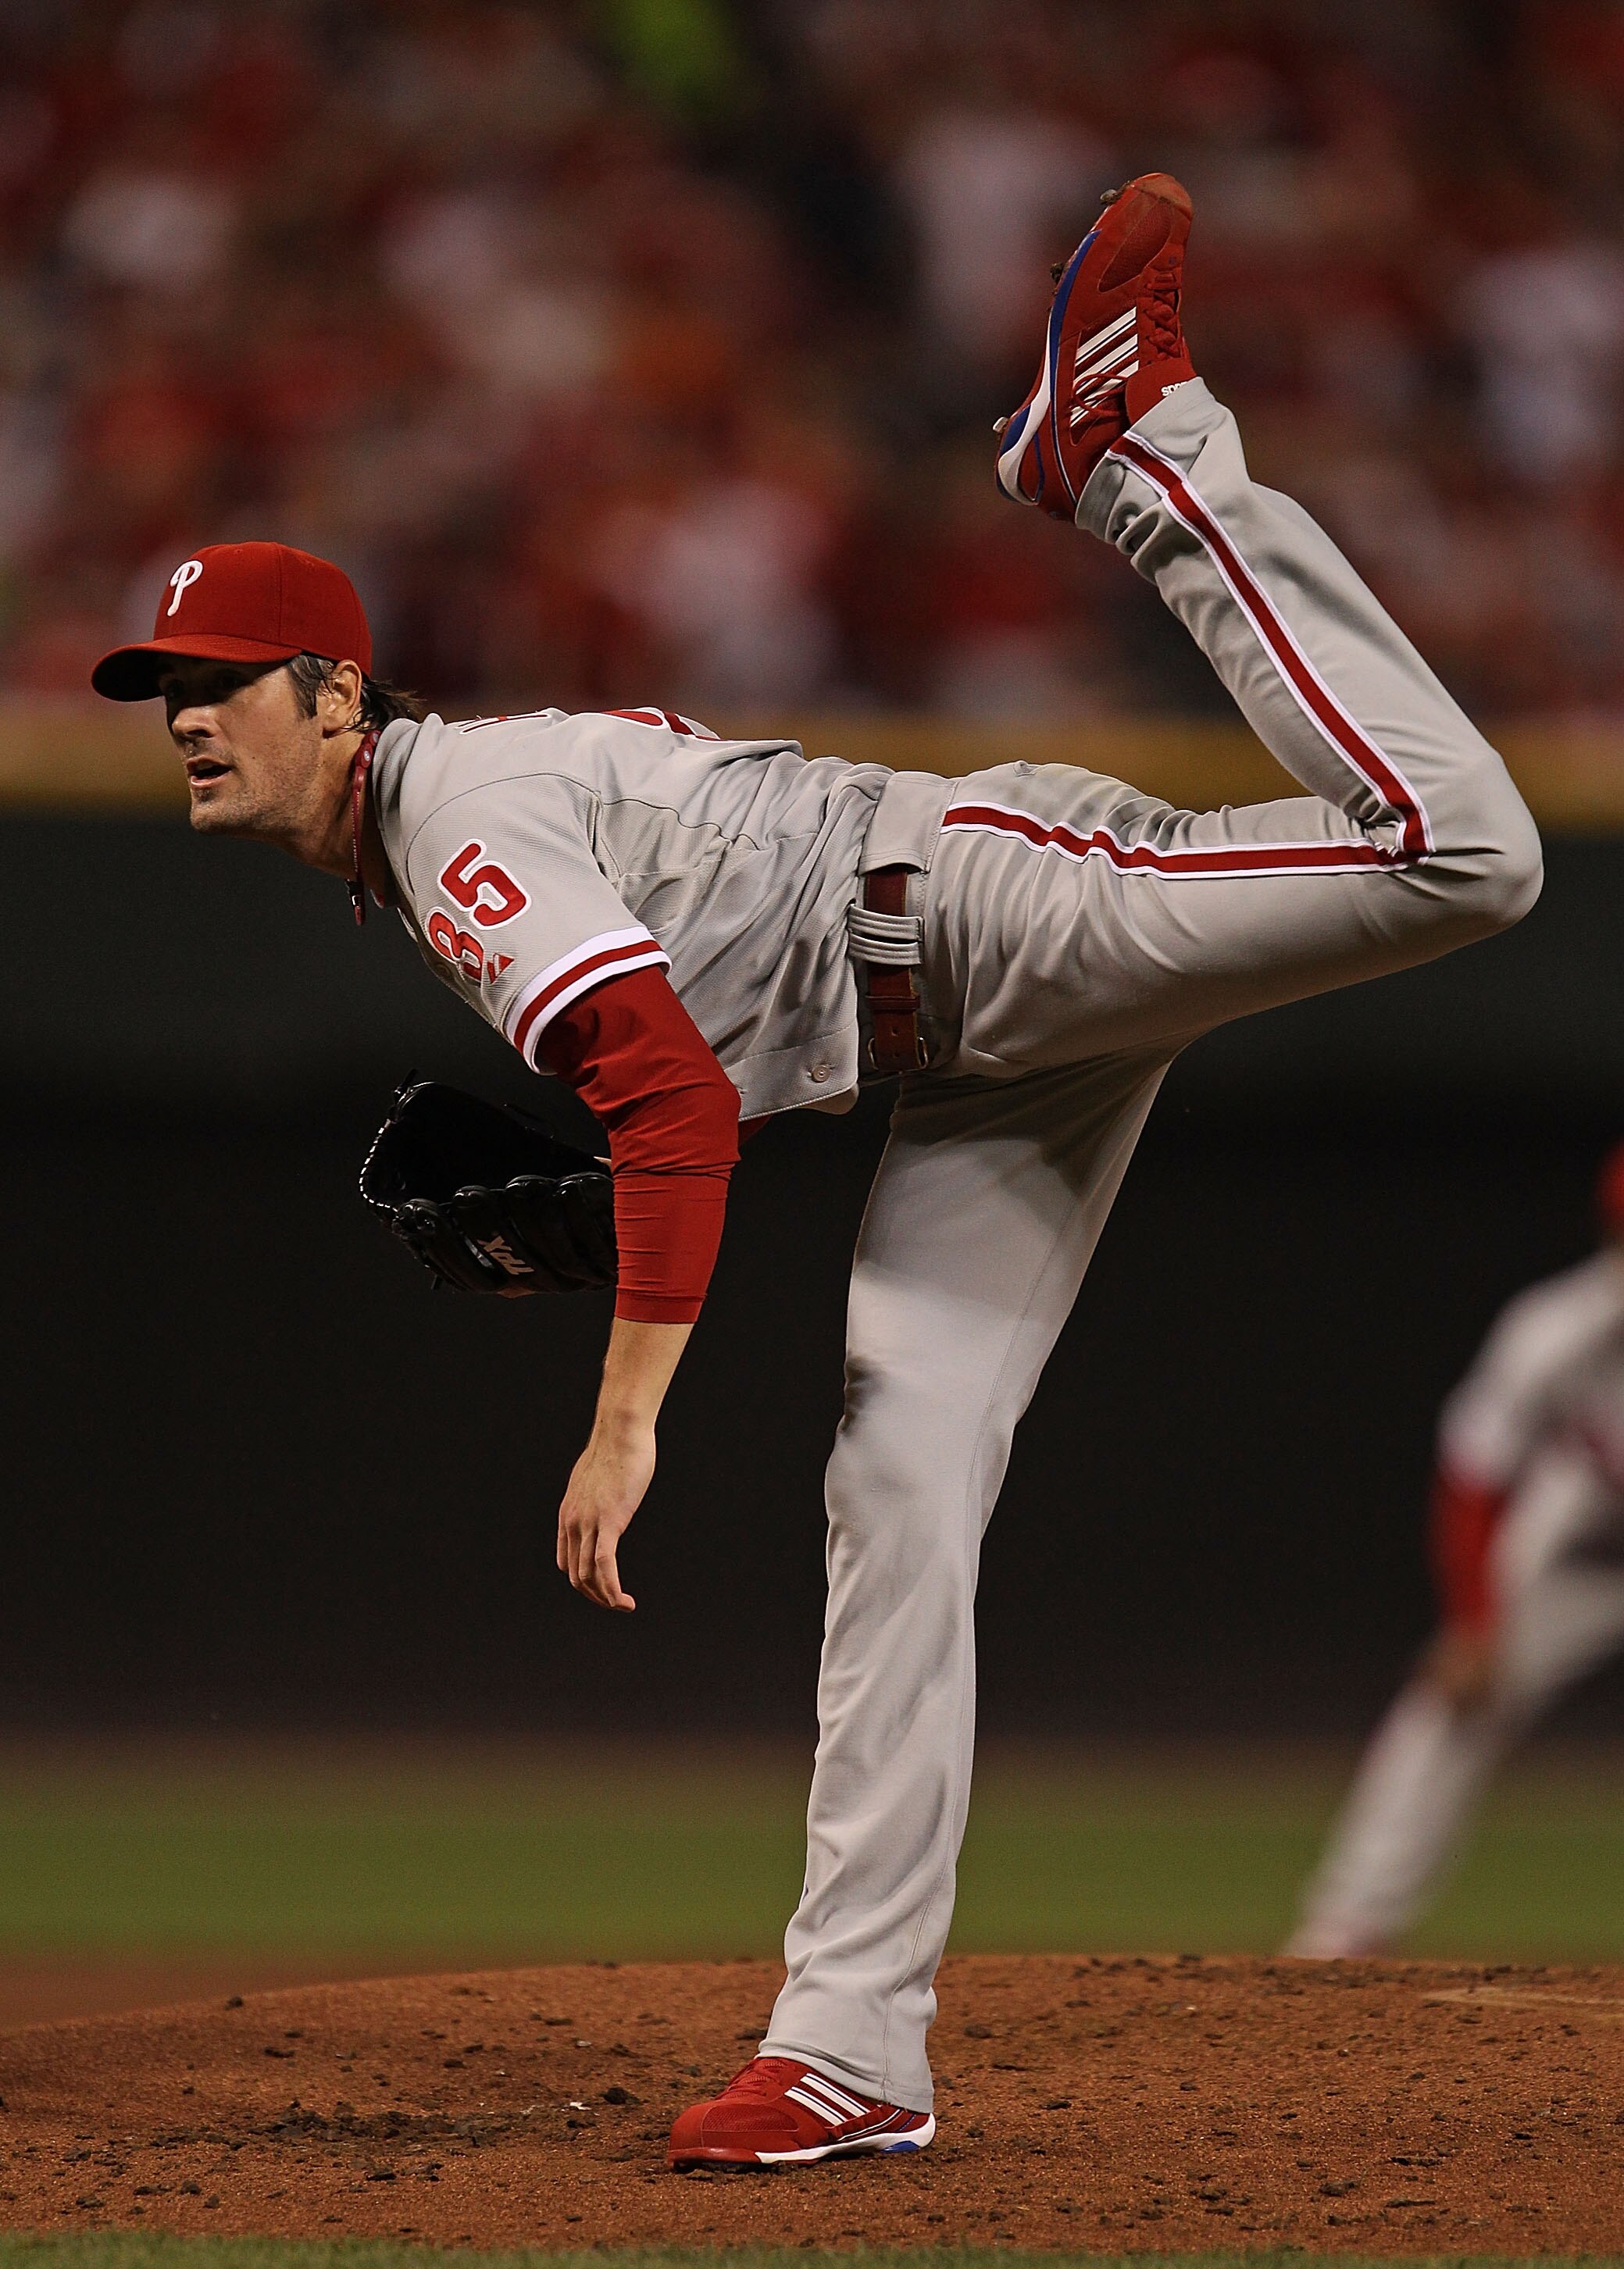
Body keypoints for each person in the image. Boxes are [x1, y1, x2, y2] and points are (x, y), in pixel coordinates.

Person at [91, 176, 1541, 2167]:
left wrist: (623, 1417)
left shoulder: (449, 825)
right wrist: (614, 1200)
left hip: (981, 912)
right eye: (167, 690)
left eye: (225, 680)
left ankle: (1140, 455)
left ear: (339, 695)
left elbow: (674, 1099)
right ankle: (852, 2044)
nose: (186, 717)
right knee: (900, 1476)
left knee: (1464, 852)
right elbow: (700, 1077)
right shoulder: (429, 848)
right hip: (945, 1036)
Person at [1287, 1149, 1624, 1960]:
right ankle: (1343, 1932)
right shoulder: (1559, 1328)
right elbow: (1475, 1470)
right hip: (1581, 1537)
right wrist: (1474, 1622)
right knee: (1449, 1703)